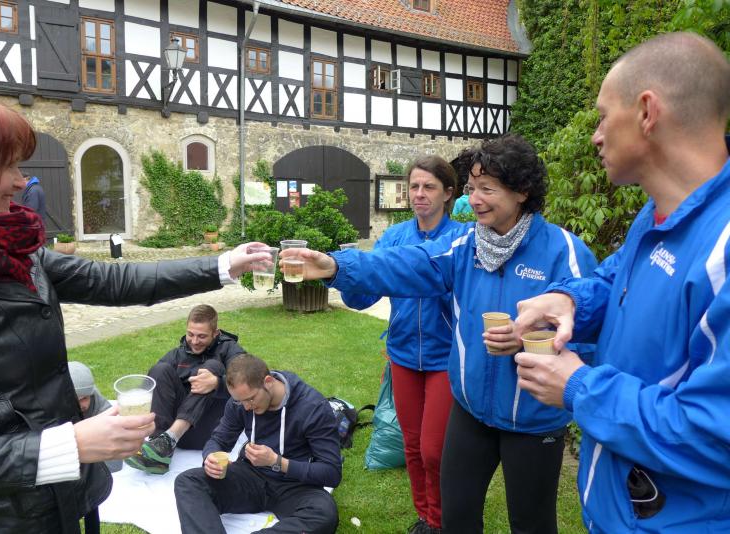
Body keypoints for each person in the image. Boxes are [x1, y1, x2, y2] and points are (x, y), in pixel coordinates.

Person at [0, 83, 270, 532]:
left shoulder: (15, 250)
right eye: (6, 166)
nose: (20, 181)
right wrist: (66, 446)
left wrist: (221, 265)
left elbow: (112, 281)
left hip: (55, 498)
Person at [282, 133, 598, 533]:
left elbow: (587, 333)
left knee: (531, 524)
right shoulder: (466, 245)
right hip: (471, 411)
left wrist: (532, 340)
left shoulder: (564, 251)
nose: (475, 200)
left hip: (533, 418)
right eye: (471, 188)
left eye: (487, 189)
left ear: (522, 191)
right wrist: (336, 266)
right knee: (456, 517)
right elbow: (405, 264)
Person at [513, 32, 730, 533]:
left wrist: (579, 388)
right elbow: (617, 279)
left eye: (603, 116)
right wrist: (570, 300)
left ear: (647, 112)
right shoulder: (657, 215)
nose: (595, 136)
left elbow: (716, 437)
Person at [341, 154, 461, 533]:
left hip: (445, 359)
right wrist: (347, 275)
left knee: (433, 449)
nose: (419, 194)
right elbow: (363, 296)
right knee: (411, 444)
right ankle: (424, 517)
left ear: (448, 194)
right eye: (414, 186)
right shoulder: (394, 238)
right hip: (404, 355)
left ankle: (440, 520)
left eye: (429, 187)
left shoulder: (461, 239)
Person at [174, 353, 341, 534]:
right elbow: (219, 439)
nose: (246, 407)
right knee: (188, 482)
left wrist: (277, 462)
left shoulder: (313, 407)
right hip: (251, 476)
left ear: (268, 382)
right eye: (240, 401)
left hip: (295, 485)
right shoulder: (240, 402)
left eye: (250, 399)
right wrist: (210, 456)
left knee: (324, 514)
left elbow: (331, 473)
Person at [126, 304, 246, 474]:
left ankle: (168, 440)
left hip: (211, 431)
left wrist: (217, 383)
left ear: (216, 333)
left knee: (213, 367)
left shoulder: (230, 349)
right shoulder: (178, 354)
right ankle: (159, 450)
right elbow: (150, 386)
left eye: (202, 336)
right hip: (178, 434)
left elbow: (249, 383)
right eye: (190, 334)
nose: (194, 341)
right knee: (160, 369)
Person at [68, 361, 122, 534]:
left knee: (92, 497)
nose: (82, 404)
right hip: (66, 455)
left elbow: (115, 458)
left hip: (90, 458)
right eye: (76, 400)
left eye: (85, 398)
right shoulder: (54, 406)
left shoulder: (100, 406)